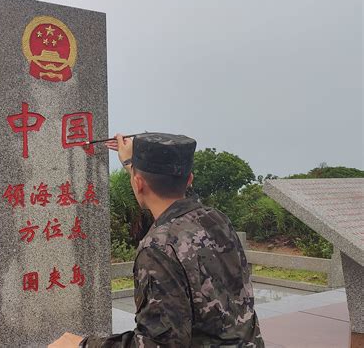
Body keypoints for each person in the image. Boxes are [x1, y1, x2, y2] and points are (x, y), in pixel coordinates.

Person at [49, 133, 264, 348]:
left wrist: (82, 345)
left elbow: (158, 344)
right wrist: (131, 164)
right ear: (189, 179)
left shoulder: (158, 248)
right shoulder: (216, 219)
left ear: (137, 183)